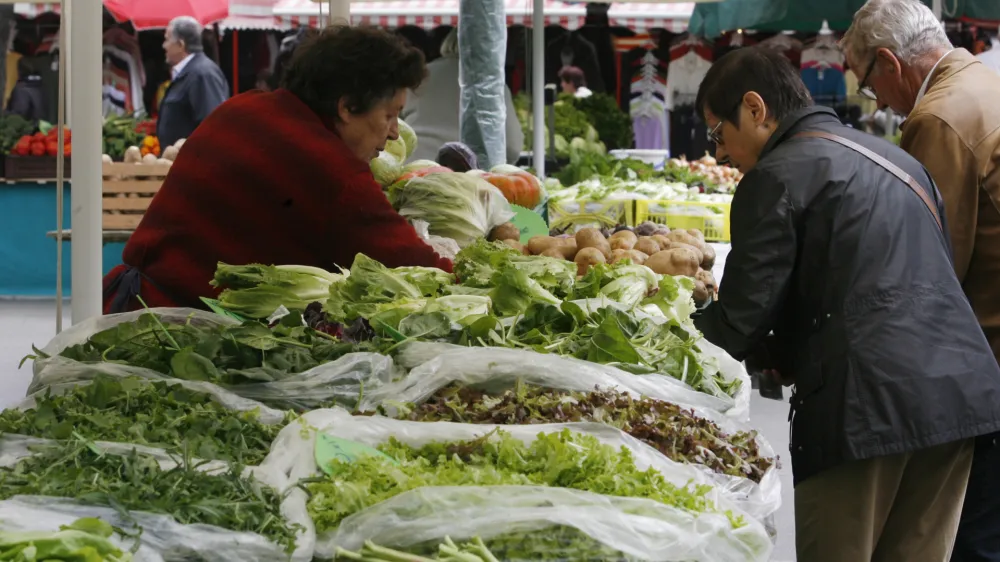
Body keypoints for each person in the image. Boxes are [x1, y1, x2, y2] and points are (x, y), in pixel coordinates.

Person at [691, 46, 1000, 562]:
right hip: (959, 396)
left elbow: (738, 321)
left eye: (717, 134)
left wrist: (672, 329)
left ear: (754, 107)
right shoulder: (899, 161)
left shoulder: (772, 178)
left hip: (864, 408)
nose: (718, 154)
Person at [103, 25, 452, 314]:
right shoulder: (330, 169)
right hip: (170, 328)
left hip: (129, 303)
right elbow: (415, 266)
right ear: (347, 106)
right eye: (389, 115)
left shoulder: (243, 105)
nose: (394, 131)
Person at [842, 2, 1000, 560]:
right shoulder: (983, 81)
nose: (877, 101)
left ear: (889, 61)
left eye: (869, 84)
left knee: (974, 539)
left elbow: (927, 268)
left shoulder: (937, 117)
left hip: (985, 362)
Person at [400, 27, 523, 165]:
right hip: (465, 173)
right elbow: (512, 147)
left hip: (415, 165)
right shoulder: (491, 84)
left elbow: (396, 123)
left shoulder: (420, 76)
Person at [157, 16, 229, 148]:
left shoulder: (203, 74)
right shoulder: (190, 72)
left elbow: (213, 127)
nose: (163, 46)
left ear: (180, 45)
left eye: (167, 40)